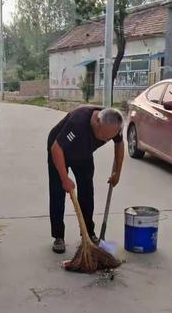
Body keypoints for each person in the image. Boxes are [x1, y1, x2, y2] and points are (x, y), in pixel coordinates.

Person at [47, 106, 124, 254]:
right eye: (105, 136)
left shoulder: (114, 123)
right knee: (57, 192)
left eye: (110, 137)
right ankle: (58, 236)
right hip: (60, 149)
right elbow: (57, 149)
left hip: (84, 152)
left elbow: (119, 145)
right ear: (97, 122)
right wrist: (64, 178)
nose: (108, 139)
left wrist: (117, 172)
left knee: (87, 193)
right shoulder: (78, 123)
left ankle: (88, 233)